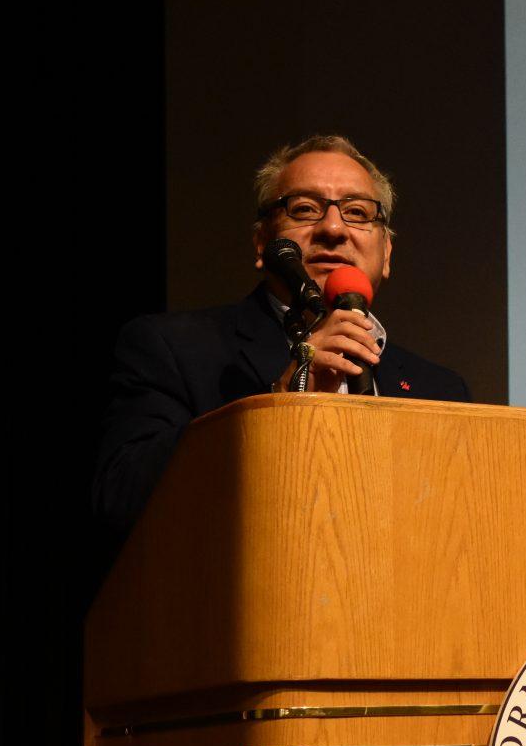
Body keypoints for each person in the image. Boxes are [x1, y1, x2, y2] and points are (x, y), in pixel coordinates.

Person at [93, 135, 469, 535]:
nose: (333, 227)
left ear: (387, 254)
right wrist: (276, 407)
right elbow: (119, 499)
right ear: (262, 244)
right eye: (304, 209)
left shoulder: (441, 390)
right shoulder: (173, 348)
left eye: (358, 212)